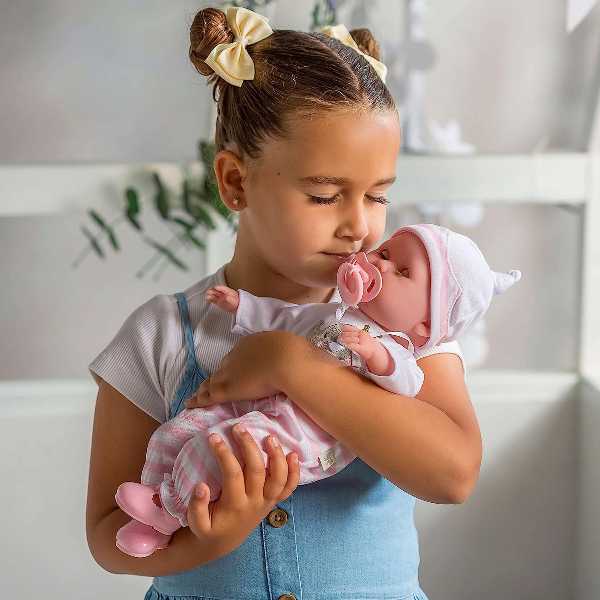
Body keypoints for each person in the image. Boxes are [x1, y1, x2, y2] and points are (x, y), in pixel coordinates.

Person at [85, 6, 483, 599]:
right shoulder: (159, 335)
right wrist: (209, 541)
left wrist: (289, 365)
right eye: (324, 196)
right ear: (235, 182)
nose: (359, 227)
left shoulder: (407, 327)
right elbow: (106, 535)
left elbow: (453, 474)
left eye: (377, 197)